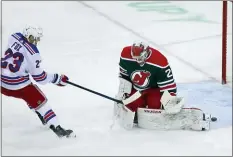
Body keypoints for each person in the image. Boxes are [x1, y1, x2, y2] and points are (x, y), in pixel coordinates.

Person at [114, 41, 210, 131]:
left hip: (154, 89)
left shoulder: (159, 61)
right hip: (136, 89)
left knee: (154, 107)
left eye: (140, 58)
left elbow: (169, 85)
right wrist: (123, 92)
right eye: (135, 58)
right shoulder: (125, 54)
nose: (137, 61)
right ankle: (138, 106)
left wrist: (170, 101)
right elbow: (124, 76)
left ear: (146, 53)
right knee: (130, 107)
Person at [1, 25, 75, 138]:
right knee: (41, 101)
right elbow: (40, 78)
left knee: (28, 89)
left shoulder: (14, 37)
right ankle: (58, 129)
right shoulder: (33, 53)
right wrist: (57, 78)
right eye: (33, 38)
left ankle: (41, 116)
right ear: (28, 36)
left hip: (2, 82)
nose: (35, 41)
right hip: (17, 86)